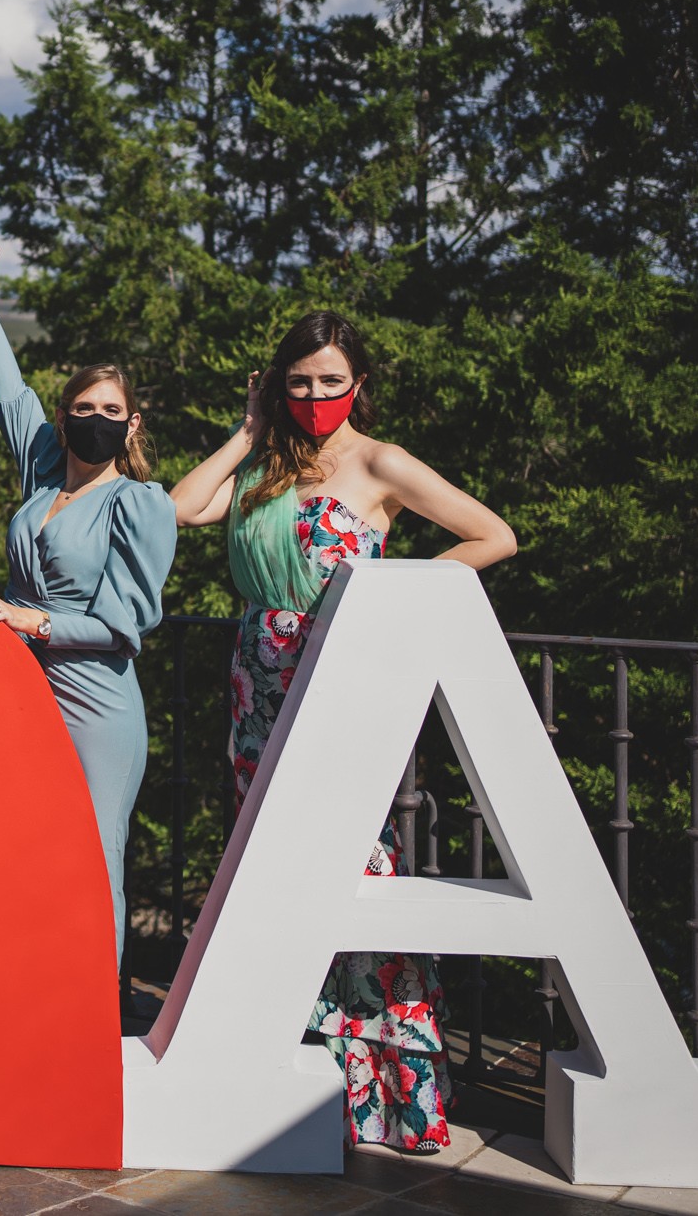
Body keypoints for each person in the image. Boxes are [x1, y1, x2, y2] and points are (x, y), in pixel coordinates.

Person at [170, 309, 517, 1154]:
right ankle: (316, 1086)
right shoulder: (261, 460)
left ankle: (400, 1091)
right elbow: (180, 510)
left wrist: (385, 599)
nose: (316, 394)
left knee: (358, 872)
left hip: (342, 672)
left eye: (331, 379)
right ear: (276, 384)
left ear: (357, 381)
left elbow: (493, 536)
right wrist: (247, 428)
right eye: (299, 380)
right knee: (279, 873)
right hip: (257, 684)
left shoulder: (382, 461)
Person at [0, 242, 178, 969]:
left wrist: (27, 619)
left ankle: (92, 1014)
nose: (95, 419)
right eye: (83, 408)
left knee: (91, 857)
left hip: (94, 704)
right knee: (17, 854)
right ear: (66, 416)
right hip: (17, 695)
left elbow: (120, 625)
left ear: (131, 426)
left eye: (111, 411)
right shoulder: (43, 467)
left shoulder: (139, 504)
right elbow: (9, 392)